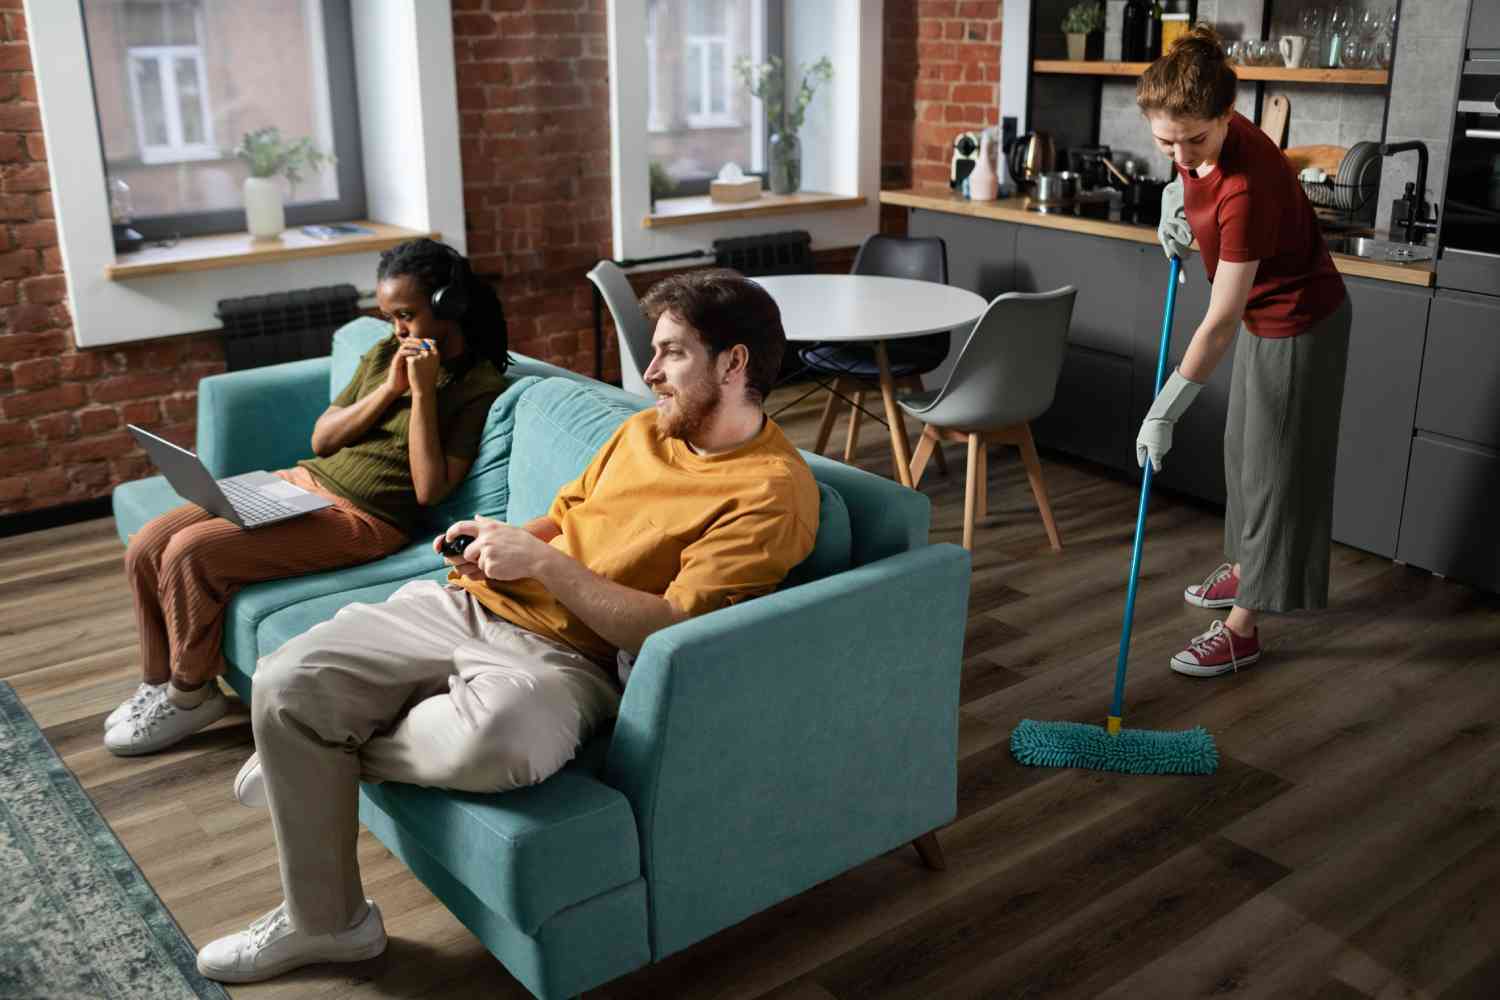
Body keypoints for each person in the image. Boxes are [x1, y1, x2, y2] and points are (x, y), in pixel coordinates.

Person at [193, 269, 820, 984]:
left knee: (503, 742)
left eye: (671, 353)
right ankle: (328, 924)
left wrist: (542, 565)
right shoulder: (645, 429)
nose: (649, 373)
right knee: (285, 682)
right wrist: (498, 543)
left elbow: (670, 628)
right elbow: (565, 517)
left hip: (574, 661)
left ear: (734, 364)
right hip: (474, 602)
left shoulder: (771, 493)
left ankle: (306, 759)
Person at [109, 239, 511, 755]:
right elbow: (322, 439)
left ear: (447, 305)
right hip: (301, 480)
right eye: (389, 316)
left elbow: (429, 488)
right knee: (148, 543)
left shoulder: (478, 385)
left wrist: (423, 393)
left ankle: (190, 695)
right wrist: (389, 390)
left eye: (406, 315)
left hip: (363, 519)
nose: (397, 330)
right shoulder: (386, 354)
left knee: (191, 553)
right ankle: (156, 683)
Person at [1135, 25, 1351, 678]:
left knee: (1276, 471)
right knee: (1244, 454)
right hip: (1264, 315)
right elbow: (1194, 175)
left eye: (1194, 141)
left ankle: (1242, 629)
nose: (1182, 154)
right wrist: (1175, 199)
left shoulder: (1247, 188)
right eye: (1165, 142)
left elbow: (1220, 320)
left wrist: (1165, 410)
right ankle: (1244, 564)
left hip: (1300, 322)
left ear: (1227, 116)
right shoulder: (1202, 135)